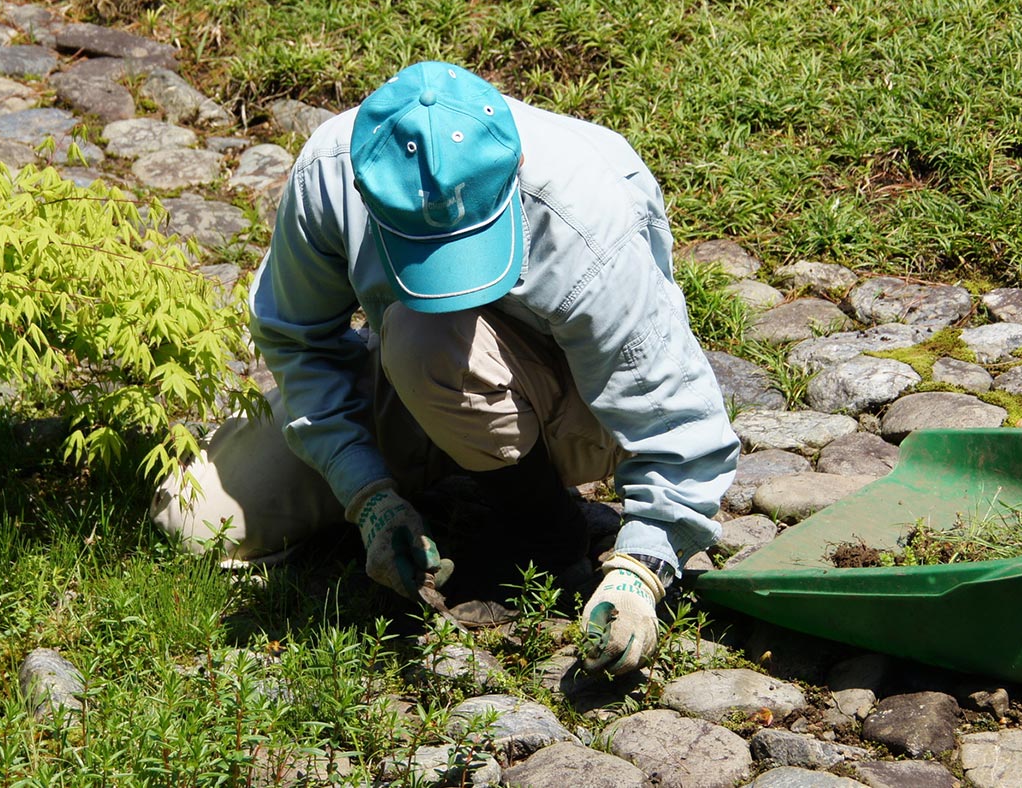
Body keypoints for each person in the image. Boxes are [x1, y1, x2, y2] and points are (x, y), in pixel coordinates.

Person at [161, 61, 739, 677]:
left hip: (574, 402)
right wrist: (368, 495)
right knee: (192, 518)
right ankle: (453, 482)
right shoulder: (330, 174)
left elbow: (672, 419)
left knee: (427, 338)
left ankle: (548, 532)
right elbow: (298, 344)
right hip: (418, 380)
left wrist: (642, 567)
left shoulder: (585, 213)